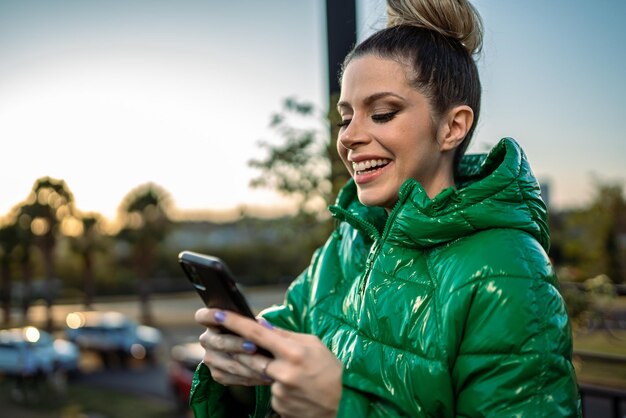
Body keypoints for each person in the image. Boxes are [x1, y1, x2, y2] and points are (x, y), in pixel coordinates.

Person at [192, 0, 582, 416]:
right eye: (346, 118)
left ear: (452, 127)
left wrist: (337, 408)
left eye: (381, 113)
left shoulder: (508, 268)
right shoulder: (347, 241)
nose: (350, 137)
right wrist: (237, 373)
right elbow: (282, 355)